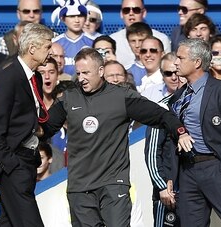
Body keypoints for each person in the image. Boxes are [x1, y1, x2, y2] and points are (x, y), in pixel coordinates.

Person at [42, 47, 193, 226]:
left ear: (100, 71)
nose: (81, 78)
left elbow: (160, 115)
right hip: (80, 187)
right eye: (78, 73)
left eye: (86, 72)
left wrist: (180, 131)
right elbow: (45, 129)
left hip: (113, 184)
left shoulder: (121, 97)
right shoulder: (68, 99)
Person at [170, 38, 221, 226]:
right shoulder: (178, 96)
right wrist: (172, 176)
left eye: (180, 58)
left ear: (197, 62)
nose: (175, 62)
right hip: (187, 171)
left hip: (216, 167)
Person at [0, 23, 53, 227]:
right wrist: (13, 166)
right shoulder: (8, 78)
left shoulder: (34, 77)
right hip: (13, 164)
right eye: (47, 47)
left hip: (27, 162)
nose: (51, 51)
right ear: (32, 49)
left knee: (9, 224)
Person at [144, 52, 184, 227]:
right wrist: (161, 186)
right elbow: (152, 153)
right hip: (168, 190)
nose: (174, 77)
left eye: (177, 72)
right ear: (162, 75)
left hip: (192, 188)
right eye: (168, 73)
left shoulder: (197, 104)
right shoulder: (159, 108)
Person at [110, 0, 171, 67]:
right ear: (121, 14)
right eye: (126, 10)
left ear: (144, 13)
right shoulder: (112, 40)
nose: (131, 13)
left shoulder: (161, 39)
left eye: (136, 10)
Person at [52, 0, 94, 76]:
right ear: (62, 18)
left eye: (80, 16)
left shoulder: (93, 42)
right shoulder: (54, 43)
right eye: (71, 16)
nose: (77, 20)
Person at [125, 22, 152, 86]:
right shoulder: (127, 72)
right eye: (133, 41)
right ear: (128, 43)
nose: (137, 45)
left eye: (141, 40)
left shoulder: (162, 68)